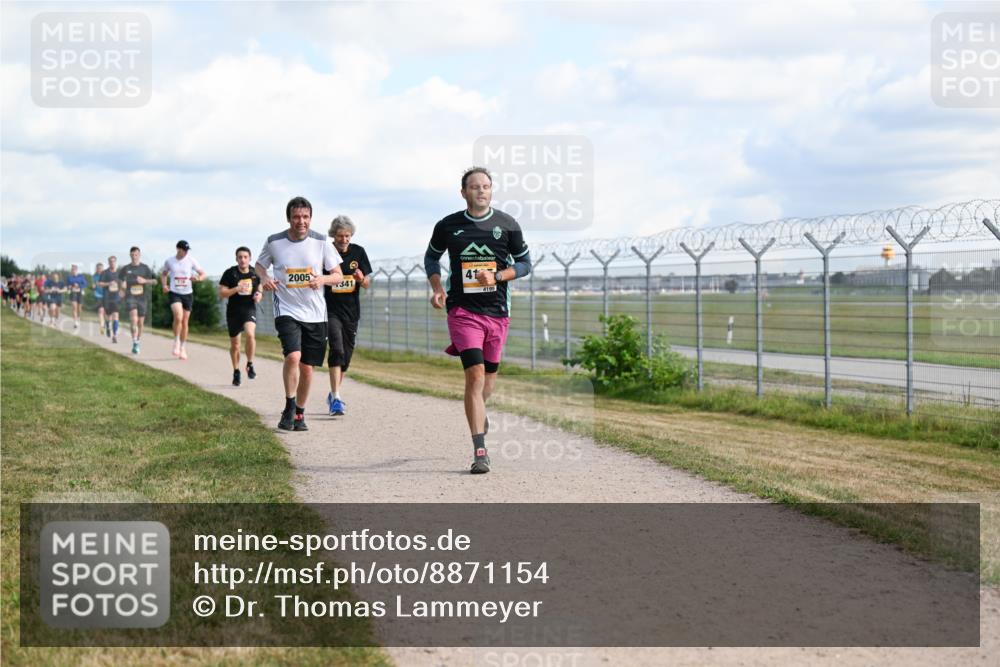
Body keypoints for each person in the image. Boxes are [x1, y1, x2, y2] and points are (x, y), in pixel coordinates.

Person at [424, 167, 532, 474]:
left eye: (486, 186)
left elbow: (525, 264)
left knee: (488, 382)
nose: (481, 191)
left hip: (497, 313)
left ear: (491, 190)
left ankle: (479, 411)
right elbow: (431, 258)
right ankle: (480, 450)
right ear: (463, 192)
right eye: (474, 187)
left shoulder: (507, 225)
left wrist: (497, 276)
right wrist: (436, 288)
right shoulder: (448, 226)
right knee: (474, 375)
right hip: (462, 312)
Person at [256, 196, 343, 431]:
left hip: (315, 313)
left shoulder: (322, 241)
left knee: (307, 367)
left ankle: (299, 414)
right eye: (296, 217)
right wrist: (264, 278)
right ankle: (289, 404)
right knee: (293, 356)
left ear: (311, 218)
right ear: (289, 219)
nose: (301, 222)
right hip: (286, 308)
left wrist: (322, 279)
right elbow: (260, 265)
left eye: (305, 217)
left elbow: (338, 275)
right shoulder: (274, 242)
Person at [323, 215, 372, 416]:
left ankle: (334, 393)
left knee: (346, 357)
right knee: (337, 349)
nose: (344, 240)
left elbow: (367, 283)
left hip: (351, 312)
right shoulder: (325, 252)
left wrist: (361, 280)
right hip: (330, 310)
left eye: (348, 236)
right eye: (341, 236)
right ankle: (336, 398)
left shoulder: (359, 252)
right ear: (333, 235)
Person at [219, 246, 263, 386]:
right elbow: (222, 293)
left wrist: (259, 295)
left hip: (249, 309)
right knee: (235, 345)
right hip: (233, 312)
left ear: (249, 258)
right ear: (236, 258)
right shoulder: (230, 273)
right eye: (240, 257)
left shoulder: (254, 273)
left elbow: (259, 287)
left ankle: (250, 364)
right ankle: (236, 371)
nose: (243, 260)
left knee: (250, 334)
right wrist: (236, 289)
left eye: (245, 257)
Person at [161, 240, 206, 360]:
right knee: (178, 316)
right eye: (183, 250)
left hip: (188, 294)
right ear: (178, 249)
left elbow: (202, 274)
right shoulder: (170, 261)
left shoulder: (191, 260)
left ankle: (182, 347)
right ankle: (175, 341)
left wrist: (198, 278)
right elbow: (164, 274)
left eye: (187, 250)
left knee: (185, 321)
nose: (186, 252)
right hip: (174, 293)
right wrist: (164, 285)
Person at [118, 246, 154, 355]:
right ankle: (134, 342)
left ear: (139, 255)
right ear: (130, 255)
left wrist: (145, 281)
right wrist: (121, 286)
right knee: (133, 319)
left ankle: (138, 340)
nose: (134, 257)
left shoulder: (145, 268)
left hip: (142, 298)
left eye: (136, 255)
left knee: (140, 322)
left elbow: (155, 281)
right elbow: (120, 279)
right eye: (132, 255)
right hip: (130, 297)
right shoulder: (126, 268)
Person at [97, 257, 121, 342]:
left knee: (116, 316)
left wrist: (123, 290)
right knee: (108, 317)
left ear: (115, 262)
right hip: (107, 298)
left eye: (113, 262)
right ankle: (107, 326)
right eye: (110, 262)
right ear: (108, 263)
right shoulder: (104, 273)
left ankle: (114, 336)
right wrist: (108, 283)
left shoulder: (119, 273)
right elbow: (99, 283)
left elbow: (122, 283)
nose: (112, 263)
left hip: (116, 298)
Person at [66, 264, 88, 330]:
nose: (73, 271)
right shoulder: (69, 277)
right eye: (72, 270)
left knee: (79, 308)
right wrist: (70, 286)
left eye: (74, 269)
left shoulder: (81, 277)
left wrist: (78, 285)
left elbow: (85, 284)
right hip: (73, 293)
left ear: (76, 270)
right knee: (74, 307)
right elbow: (67, 284)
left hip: (80, 293)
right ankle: (75, 322)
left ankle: (78, 318)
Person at [93, 262, 106, 334]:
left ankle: (105, 323)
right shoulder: (94, 277)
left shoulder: (106, 275)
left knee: (106, 312)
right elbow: (93, 284)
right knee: (101, 310)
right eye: (98, 268)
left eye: (100, 268)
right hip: (98, 295)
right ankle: (102, 326)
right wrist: (93, 286)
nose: (99, 270)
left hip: (107, 295)